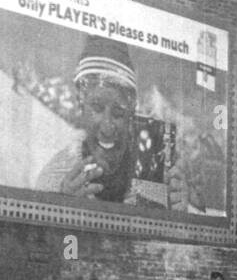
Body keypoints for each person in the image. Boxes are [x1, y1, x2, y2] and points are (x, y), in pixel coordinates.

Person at [32, 36, 187, 208]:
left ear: (131, 114)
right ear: (81, 106)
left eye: (118, 113)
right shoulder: (56, 176)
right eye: (97, 108)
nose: (107, 127)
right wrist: (61, 209)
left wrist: (179, 218)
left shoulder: (151, 167)